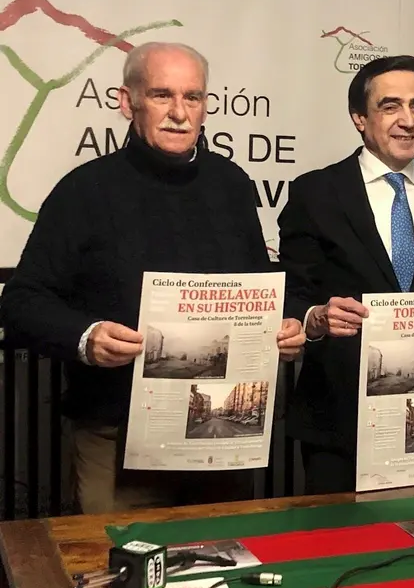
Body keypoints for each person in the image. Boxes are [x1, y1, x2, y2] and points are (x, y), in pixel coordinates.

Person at [0, 41, 306, 513]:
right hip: (117, 435)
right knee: (119, 558)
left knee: (219, 554)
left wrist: (283, 325)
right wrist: (86, 336)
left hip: (220, 433)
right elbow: (21, 302)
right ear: (128, 102)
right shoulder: (84, 190)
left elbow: (256, 283)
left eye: (193, 97)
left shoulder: (231, 185)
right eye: (162, 95)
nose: (179, 113)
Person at [277, 55, 414, 494]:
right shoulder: (316, 192)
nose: (407, 120)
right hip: (339, 419)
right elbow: (291, 295)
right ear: (360, 118)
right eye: (390, 106)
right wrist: (316, 317)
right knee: (339, 534)